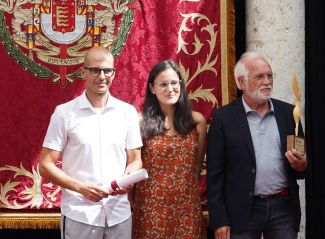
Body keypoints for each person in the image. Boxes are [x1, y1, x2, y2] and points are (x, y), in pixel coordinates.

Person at [39, 46, 143, 239]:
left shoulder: (127, 112)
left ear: (114, 73)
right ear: (83, 72)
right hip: (80, 214)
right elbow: (45, 165)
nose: (102, 76)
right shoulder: (64, 113)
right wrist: (80, 188)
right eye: (95, 70)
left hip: (119, 213)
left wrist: (127, 178)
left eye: (107, 70)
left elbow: (135, 159)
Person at [206, 52, 309, 239]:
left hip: (283, 207)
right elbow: (214, 176)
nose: (267, 81)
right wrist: (219, 220)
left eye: (269, 75)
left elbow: (301, 168)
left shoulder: (289, 113)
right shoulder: (223, 118)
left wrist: (301, 166)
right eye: (259, 76)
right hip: (241, 211)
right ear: (242, 82)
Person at [131, 60, 207, 239]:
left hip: (186, 207)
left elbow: (195, 169)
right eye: (163, 84)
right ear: (152, 88)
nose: (170, 89)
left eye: (174, 83)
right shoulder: (139, 122)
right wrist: (134, 201)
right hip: (150, 208)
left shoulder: (197, 122)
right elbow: (133, 166)